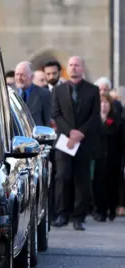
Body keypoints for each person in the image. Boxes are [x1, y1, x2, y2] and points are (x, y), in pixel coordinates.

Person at [51, 56, 101, 230]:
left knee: (82, 179)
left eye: (76, 65)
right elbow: (56, 114)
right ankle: (62, 214)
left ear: (82, 69)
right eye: (70, 65)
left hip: (84, 141)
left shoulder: (93, 90)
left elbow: (95, 117)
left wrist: (80, 133)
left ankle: (79, 217)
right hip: (64, 139)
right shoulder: (58, 90)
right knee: (62, 177)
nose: (73, 68)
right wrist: (70, 132)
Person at [91, 92, 124, 222]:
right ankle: (100, 210)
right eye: (101, 103)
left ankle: (111, 208)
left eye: (106, 103)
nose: (103, 106)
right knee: (97, 185)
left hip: (113, 159)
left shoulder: (117, 121)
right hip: (97, 158)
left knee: (112, 185)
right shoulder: (93, 121)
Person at [14, 61, 52, 126]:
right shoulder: (10, 95)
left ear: (31, 77)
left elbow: (47, 122)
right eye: (17, 74)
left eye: (22, 75)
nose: (19, 78)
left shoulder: (44, 94)